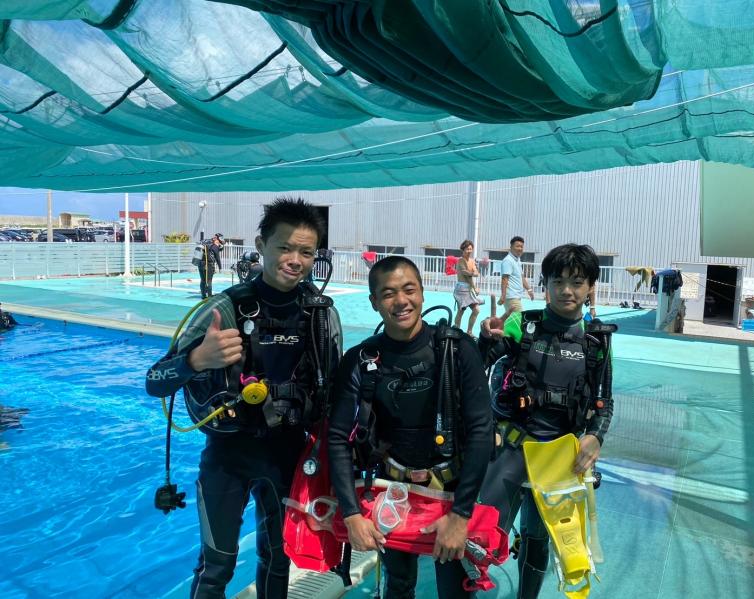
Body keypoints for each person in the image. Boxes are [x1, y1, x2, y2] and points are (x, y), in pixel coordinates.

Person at [145, 198, 342, 599]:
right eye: (284, 247)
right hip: (228, 456)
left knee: (279, 558)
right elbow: (155, 382)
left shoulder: (321, 315)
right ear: (261, 245)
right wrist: (197, 359)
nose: (295, 260)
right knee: (216, 565)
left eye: (306, 252)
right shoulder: (225, 308)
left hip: (290, 458)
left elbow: (335, 391)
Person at [327, 256, 494, 598]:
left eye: (409, 290)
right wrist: (352, 514)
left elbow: (481, 430)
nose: (401, 301)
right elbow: (338, 438)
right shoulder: (360, 360)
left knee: (456, 591)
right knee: (398, 586)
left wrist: (461, 514)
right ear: (374, 302)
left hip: (452, 492)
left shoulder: (457, 350)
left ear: (422, 293)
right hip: (392, 494)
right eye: (388, 293)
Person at [477, 244, 614, 598]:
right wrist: (484, 338)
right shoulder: (523, 324)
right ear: (545, 284)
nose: (567, 290)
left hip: (560, 458)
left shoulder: (597, 341)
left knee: (538, 542)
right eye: (558, 281)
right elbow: (478, 366)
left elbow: (604, 402)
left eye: (577, 282)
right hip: (512, 446)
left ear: (590, 288)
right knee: (479, 536)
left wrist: (595, 437)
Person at [453, 239, 483, 337]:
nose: (469, 251)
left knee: (476, 310)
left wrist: (474, 287)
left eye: (470, 249)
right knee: (461, 311)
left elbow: (475, 272)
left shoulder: (472, 261)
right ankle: (456, 329)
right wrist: (474, 274)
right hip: (461, 289)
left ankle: (469, 332)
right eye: (467, 249)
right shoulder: (460, 261)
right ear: (463, 249)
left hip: (469, 289)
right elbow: (465, 273)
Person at [499, 236, 534, 318]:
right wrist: (503, 295)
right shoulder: (508, 260)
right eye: (517, 246)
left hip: (516, 296)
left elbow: (521, 277)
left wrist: (529, 290)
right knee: (519, 319)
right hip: (511, 297)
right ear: (511, 247)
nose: (520, 248)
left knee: (512, 320)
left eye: (521, 247)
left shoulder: (517, 260)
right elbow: (504, 279)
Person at [198, 233, 224, 299]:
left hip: (200, 264)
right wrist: (220, 268)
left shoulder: (207, 244)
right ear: (217, 240)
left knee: (203, 280)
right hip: (208, 265)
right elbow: (217, 258)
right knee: (209, 281)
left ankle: (203, 295)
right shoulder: (214, 246)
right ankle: (209, 296)